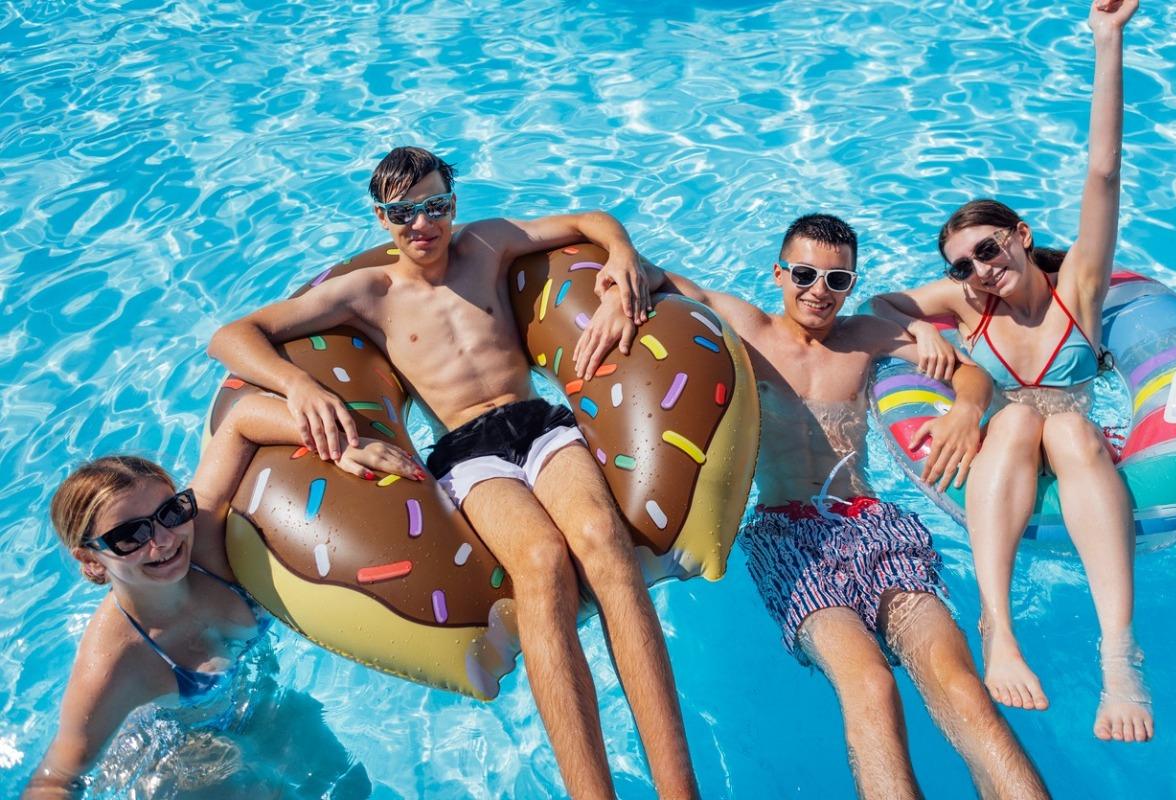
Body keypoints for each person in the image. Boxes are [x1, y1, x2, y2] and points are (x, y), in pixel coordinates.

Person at [206, 146, 698, 799]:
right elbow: (233, 336)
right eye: (404, 213)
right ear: (382, 219)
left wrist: (621, 261)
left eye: (435, 206)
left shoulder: (487, 246)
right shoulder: (367, 294)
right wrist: (298, 386)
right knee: (542, 565)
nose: (423, 225)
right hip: (469, 451)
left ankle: (679, 787)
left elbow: (593, 219)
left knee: (605, 545)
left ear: (453, 205)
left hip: (540, 423)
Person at [577, 214, 1049, 799]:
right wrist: (617, 284)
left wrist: (963, 410)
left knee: (961, 688)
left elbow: (971, 372)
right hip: (787, 538)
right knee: (870, 685)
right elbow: (652, 275)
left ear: (851, 283)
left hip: (877, 527)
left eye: (837, 279)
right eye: (803, 274)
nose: (818, 291)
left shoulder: (868, 336)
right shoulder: (747, 328)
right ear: (778, 273)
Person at [869, 0, 1150, 743]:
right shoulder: (967, 306)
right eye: (962, 265)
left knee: (1062, 427)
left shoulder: (1079, 289)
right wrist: (924, 343)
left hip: (1081, 446)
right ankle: (997, 626)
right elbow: (877, 302)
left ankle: (1119, 657)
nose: (979, 271)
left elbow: (1104, 170)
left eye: (990, 251)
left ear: (1022, 238)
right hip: (1007, 446)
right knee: (1023, 415)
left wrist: (1107, 42)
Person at [25, 393, 411, 798]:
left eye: (170, 511)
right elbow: (54, 780)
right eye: (130, 535)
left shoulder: (203, 540)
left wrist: (343, 448)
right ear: (90, 560)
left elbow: (241, 419)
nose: (163, 541)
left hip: (265, 705)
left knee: (354, 787)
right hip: (187, 757)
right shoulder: (116, 663)